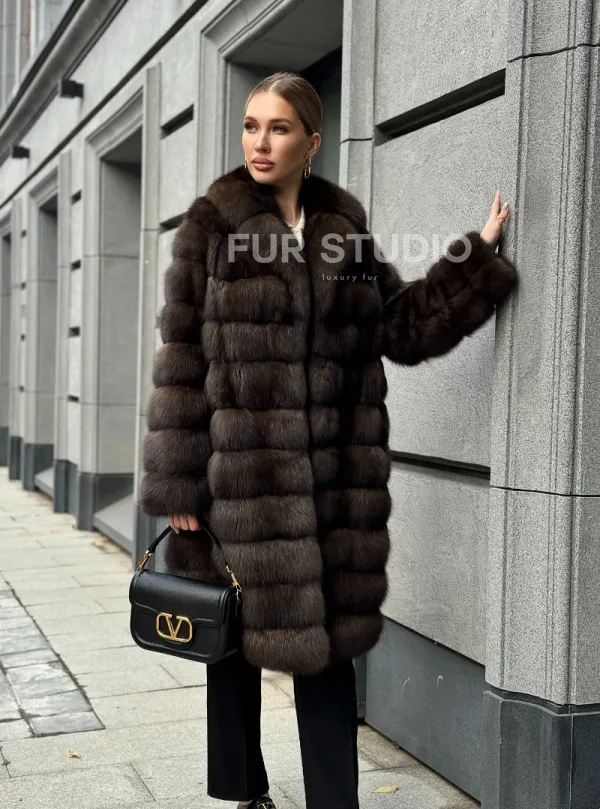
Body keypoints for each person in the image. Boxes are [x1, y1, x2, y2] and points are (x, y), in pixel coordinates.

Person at [139, 72, 518, 809]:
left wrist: (475, 257)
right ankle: (245, 792)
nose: (259, 141)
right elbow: (181, 358)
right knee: (232, 644)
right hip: (238, 486)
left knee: (326, 657)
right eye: (251, 125)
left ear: (311, 141)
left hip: (330, 491)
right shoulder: (211, 226)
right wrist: (177, 483)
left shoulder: (343, 228)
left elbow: (400, 324)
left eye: (278, 127)